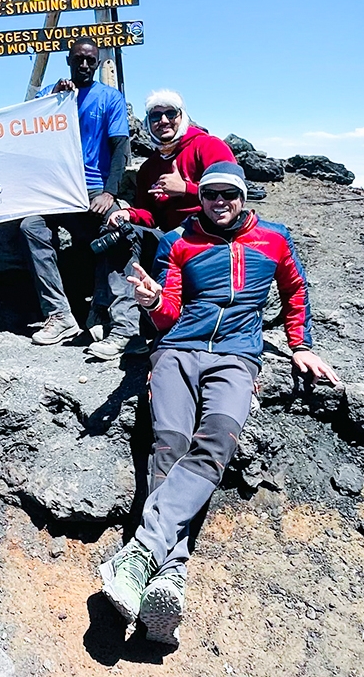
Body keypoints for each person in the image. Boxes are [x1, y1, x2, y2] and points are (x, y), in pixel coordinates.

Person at [99, 161, 340, 647]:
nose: (221, 202)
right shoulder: (177, 240)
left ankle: (141, 553)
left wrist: (301, 345)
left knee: (215, 442)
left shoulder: (274, 238)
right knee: (169, 445)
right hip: (178, 352)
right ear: (201, 198)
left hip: (237, 356)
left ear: (243, 196)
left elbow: (295, 291)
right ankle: (172, 573)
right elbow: (168, 315)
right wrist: (150, 302)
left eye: (230, 194)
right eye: (212, 195)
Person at [19, 39, 139, 349]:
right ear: (68, 60)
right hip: (55, 188)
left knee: (118, 230)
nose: (84, 65)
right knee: (31, 226)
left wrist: (110, 193)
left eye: (90, 60)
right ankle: (59, 315)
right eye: (78, 59)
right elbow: (26, 133)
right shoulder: (50, 96)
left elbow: (118, 149)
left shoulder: (110, 98)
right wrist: (55, 101)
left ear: (98, 63)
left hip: (93, 187)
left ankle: (116, 319)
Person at [106, 89, 237, 233]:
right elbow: (149, 215)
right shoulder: (148, 168)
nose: (163, 121)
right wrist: (128, 214)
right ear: (147, 123)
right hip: (169, 236)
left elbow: (231, 191)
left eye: (171, 113)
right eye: (156, 116)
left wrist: (185, 189)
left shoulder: (209, 146)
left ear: (182, 117)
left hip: (211, 229)